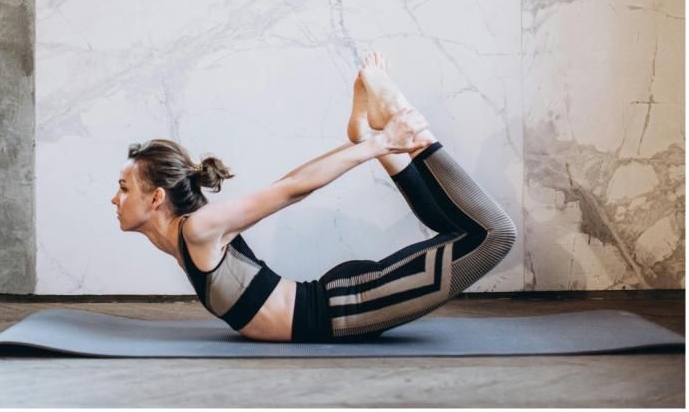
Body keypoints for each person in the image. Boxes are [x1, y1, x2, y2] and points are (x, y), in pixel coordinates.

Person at [112, 52, 517, 343]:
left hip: (350, 307)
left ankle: (404, 123)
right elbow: (291, 183)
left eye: (124, 187)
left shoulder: (198, 229)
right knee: (456, 228)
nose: (115, 199)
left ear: (156, 199)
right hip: (342, 304)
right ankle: (381, 136)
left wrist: (383, 144)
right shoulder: (181, 234)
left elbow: (292, 188)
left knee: (495, 235)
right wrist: (369, 145)